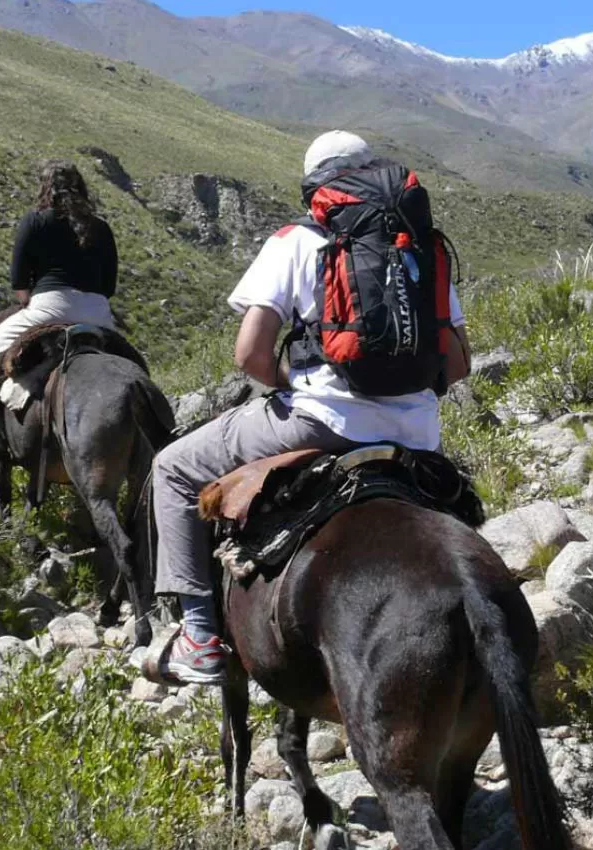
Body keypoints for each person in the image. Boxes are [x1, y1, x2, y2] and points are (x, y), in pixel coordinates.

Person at [151, 130, 473, 685]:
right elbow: (460, 364)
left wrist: (291, 382)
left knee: (173, 469)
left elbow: (249, 355)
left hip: (322, 420)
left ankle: (199, 636)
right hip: (418, 433)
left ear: (314, 187)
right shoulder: (422, 242)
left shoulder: (297, 240)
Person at [0, 161, 118, 458]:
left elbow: (20, 285)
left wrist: (31, 302)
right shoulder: (100, 227)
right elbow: (109, 287)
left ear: (45, 187)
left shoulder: (35, 220)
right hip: (99, 312)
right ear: (81, 189)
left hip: (50, 306)